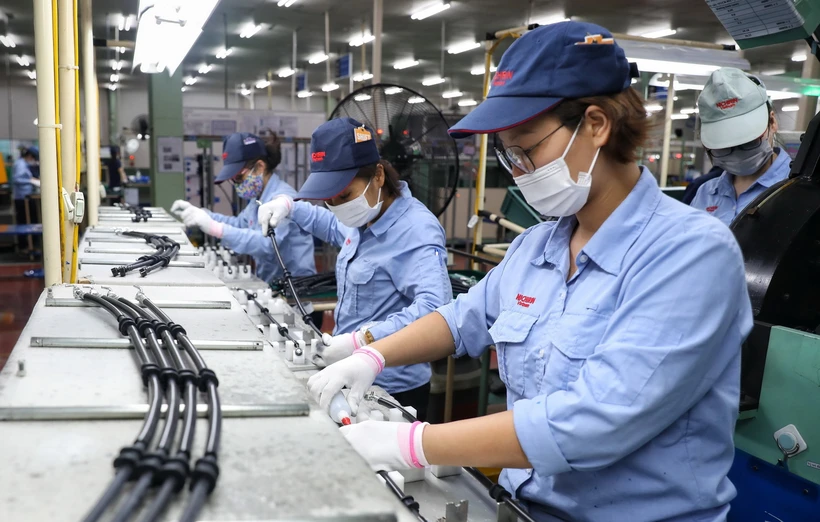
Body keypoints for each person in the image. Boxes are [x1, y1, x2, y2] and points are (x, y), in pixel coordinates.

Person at [307, 22, 753, 521]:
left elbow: (592, 422)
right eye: (507, 154)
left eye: (527, 149)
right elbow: (459, 320)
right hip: (521, 506)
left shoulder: (691, 254)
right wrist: (371, 356)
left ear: (596, 124)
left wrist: (412, 443)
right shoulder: (537, 245)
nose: (518, 170)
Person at [258, 117, 452, 419]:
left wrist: (363, 340)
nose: (338, 206)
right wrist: (290, 206)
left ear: (378, 176)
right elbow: (330, 223)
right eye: (330, 199)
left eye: (345, 196)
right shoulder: (365, 216)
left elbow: (436, 310)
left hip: (392, 388)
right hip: (345, 374)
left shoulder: (416, 230)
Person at [171, 132, 316, 283]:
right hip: (272, 283)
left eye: (239, 178)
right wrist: (204, 214)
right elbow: (239, 224)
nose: (236, 185)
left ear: (259, 167)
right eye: (233, 180)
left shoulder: (283, 199)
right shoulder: (258, 199)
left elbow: (267, 243)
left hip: (298, 287)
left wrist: (216, 228)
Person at [690, 68, 790, 225]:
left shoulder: (799, 189)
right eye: (724, 146)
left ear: (772, 122)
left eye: (747, 141)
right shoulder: (705, 194)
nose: (736, 153)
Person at [13, 147, 41, 244]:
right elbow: (17, 179)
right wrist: (30, 181)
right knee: (24, 221)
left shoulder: (24, 164)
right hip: (22, 198)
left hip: (26, 197)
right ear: (29, 156)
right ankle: (25, 245)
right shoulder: (20, 164)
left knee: (31, 219)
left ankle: (31, 243)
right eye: (33, 158)